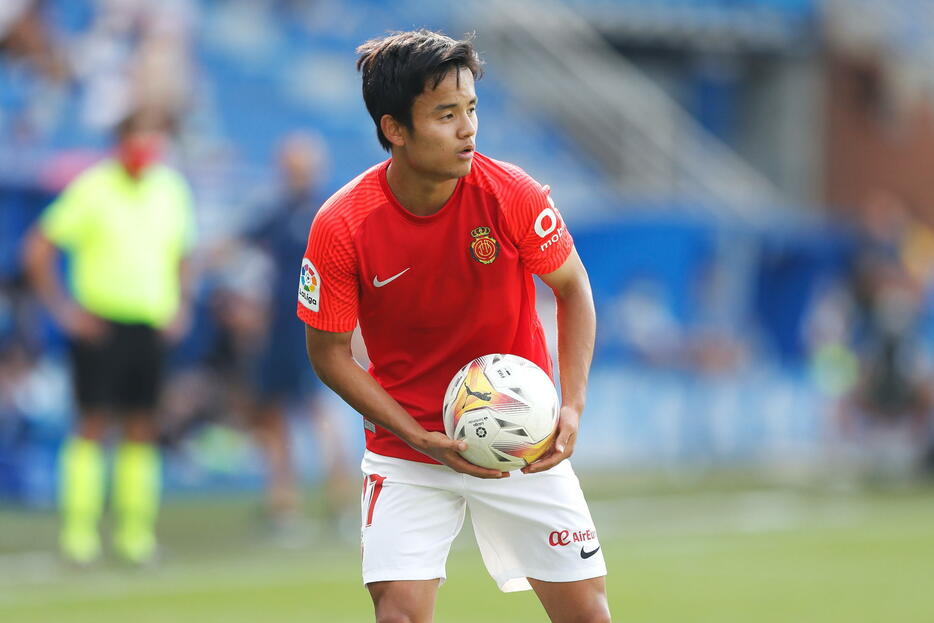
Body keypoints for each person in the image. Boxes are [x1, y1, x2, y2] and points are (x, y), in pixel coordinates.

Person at [298, 31, 610, 622]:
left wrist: (571, 406)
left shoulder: (510, 193)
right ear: (395, 128)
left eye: (470, 110)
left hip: (523, 440)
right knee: (399, 615)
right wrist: (413, 435)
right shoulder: (341, 226)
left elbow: (573, 287)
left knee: (587, 616)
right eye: (445, 115)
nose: (468, 129)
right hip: (406, 448)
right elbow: (329, 353)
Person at [22, 111, 195, 565]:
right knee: (92, 423)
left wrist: (180, 304)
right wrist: (63, 310)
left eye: (151, 138)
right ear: (119, 143)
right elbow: (39, 246)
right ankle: (79, 535)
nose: (145, 149)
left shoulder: (170, 189)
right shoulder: (92, 188)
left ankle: (134, 536)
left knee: (142, 427)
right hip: (100, 325)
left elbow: (182, 251)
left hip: (148, 325)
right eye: (137, 139)